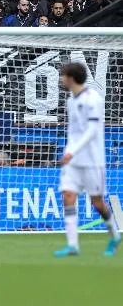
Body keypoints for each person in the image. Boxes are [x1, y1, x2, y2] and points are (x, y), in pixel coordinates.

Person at [54, 62, 121, 257]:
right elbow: (73, 131)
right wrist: (69, 151)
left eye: (62, 75)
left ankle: (114, 235)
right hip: (73, 160)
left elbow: (92, 131)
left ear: (71, 77)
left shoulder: (93, 99)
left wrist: (72, 151)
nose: (60, 79)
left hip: (92, 160)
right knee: (68, 196)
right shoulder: (70, 100)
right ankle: (72, 244)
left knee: (97, 202)